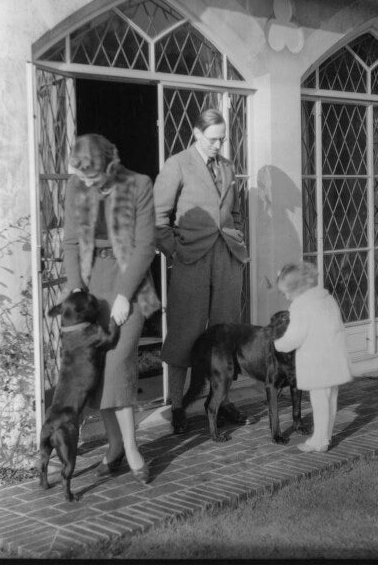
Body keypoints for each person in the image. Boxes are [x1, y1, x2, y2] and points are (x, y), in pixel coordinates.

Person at [63, 133, 160, 483]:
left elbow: (145, 245)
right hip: (91, 289)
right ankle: (115, 445)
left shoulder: (139, 184)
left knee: (118, 365)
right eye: (81, 176)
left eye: (91, 176)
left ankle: (132, 448)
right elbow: (70, 242)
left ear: (109, 165)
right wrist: (76, 287)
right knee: (97, 368)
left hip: (129, 281)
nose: (86, 182)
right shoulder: (75, 185)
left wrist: (123, 295)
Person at [154, 107, 249, 433]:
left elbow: (235, 212)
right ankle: (177, 406)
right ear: (196, 133)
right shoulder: (177, 164)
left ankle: (221, 401)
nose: (218, 146)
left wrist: (237, 236)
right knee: (185, 331)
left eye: (222, 139)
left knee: (226, 332)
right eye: (212, 139)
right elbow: (158, 218)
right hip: (191, 258)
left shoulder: (228, 166)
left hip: (227, 256)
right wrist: (176, 251)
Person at [274, 261, 352, 453]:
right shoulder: (327, 298)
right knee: (331, 399)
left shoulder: (301, 306)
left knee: (319, 402)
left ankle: (320, 441)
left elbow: (296, 336)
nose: (287, 297)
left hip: (317, 361)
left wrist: (278, 344)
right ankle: (326, 436)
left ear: (297, 289)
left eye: (287, 293)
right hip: (335, 357)